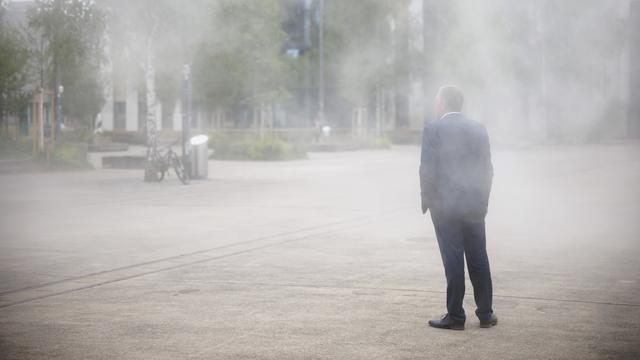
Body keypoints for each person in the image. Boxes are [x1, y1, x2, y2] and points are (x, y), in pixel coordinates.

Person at [420, 86, 497, 330]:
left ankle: (455, 316)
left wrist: (427, 200)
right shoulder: (478, 128)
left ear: (442, 104)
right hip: (474, 204)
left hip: (445, 206)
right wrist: (483, 201)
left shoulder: (433, 129)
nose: (434, 105)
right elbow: (487, 169)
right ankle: (486, 314)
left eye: (436, 101)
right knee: (479, 258)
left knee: (453, 258)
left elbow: (428, 169)